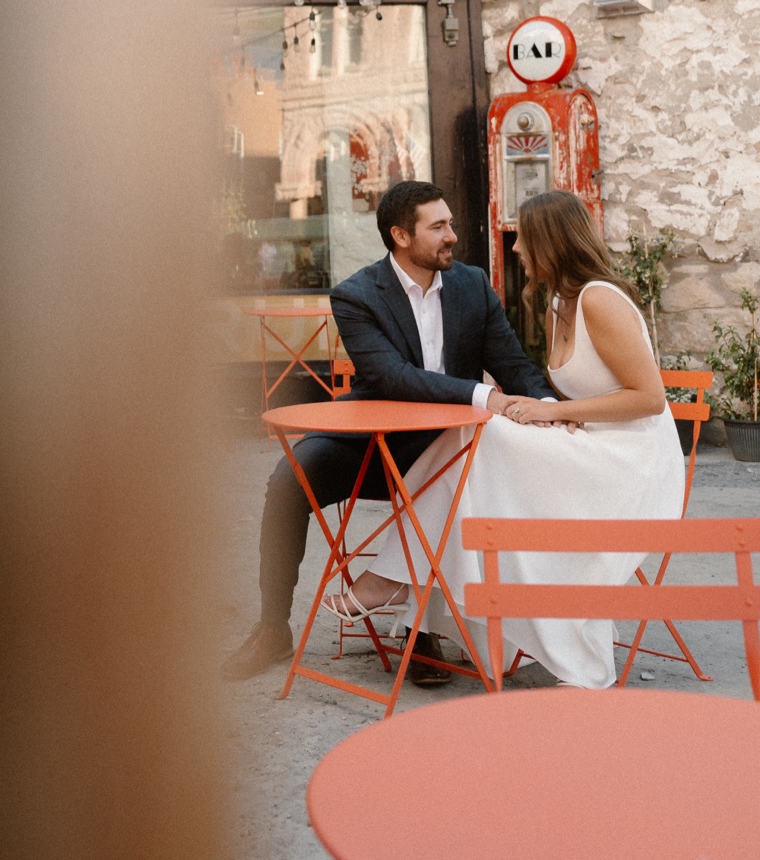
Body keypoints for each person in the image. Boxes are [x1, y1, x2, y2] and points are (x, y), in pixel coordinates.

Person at [331, 188, 684, 690]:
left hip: (630, 461)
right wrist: (546, 416)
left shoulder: (599, 301)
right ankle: (415, 596)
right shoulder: (557, 304)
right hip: (585, 444)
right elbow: (531, 382)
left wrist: (554, 413)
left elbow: (649, 399)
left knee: (478, 437)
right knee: (470, 446)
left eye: (523, 239)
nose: (514, 249)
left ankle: (395, 579)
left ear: (551, 243)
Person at [222, 179, 553, 683]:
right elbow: (391, 377)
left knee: (457, 473)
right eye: (438, 227)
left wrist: (548, 407)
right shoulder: (356, 295)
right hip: (377, 443)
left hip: (450, 448)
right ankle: (272, 629)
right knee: (289, 481)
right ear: (401, 235)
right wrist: (485, 396)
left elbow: (513, 364)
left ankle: (419, 632)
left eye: (451, 224)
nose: (452, 236)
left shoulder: (471, 286)